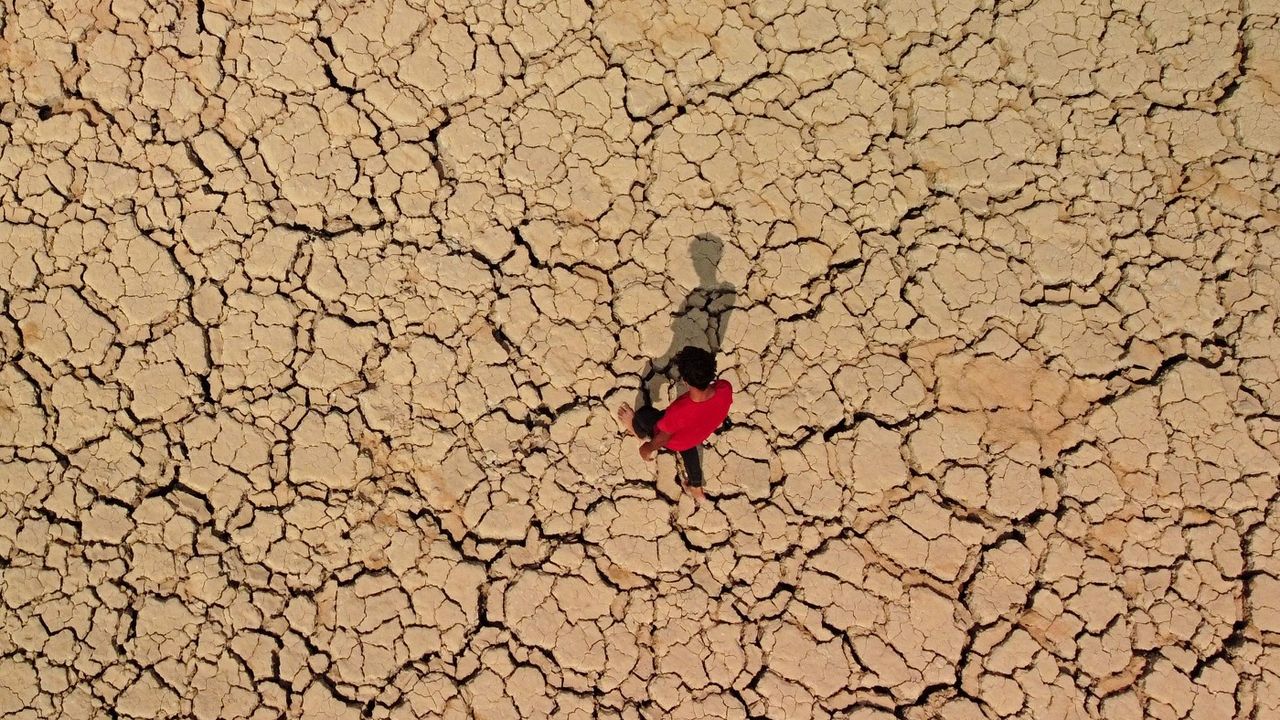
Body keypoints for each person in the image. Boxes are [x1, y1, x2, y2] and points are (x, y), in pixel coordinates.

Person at [618, 346, 733, 502]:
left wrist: (647, 448)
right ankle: (696, 489)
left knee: (644, 415)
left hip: (677, 440)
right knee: (690, 447)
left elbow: (663, 438)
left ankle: (636, 431)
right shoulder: (725, 387)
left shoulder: (679, 411)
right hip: (699, 432)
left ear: (685, 382)